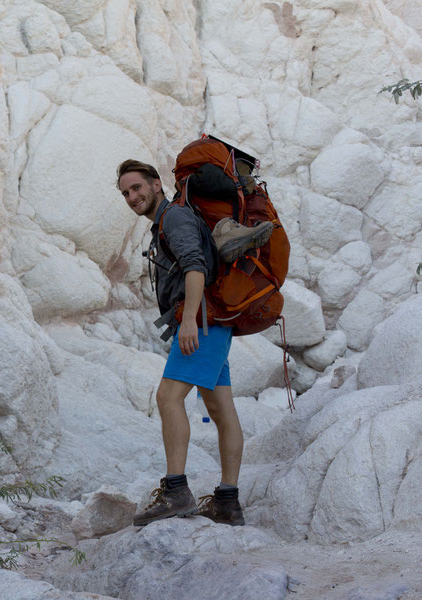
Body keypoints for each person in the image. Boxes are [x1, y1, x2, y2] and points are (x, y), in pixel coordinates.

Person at [115, 159, 271, 527]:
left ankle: (175, 492)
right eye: (125, 193)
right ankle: (227, 503)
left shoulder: (176, 218)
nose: (132, 196)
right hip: (211, 321)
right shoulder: (169, 222)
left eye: (137, 187)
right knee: (219, 409)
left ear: (156, 184)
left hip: (202, 321)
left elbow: (195, 266)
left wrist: (188, 322)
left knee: (168, 397)